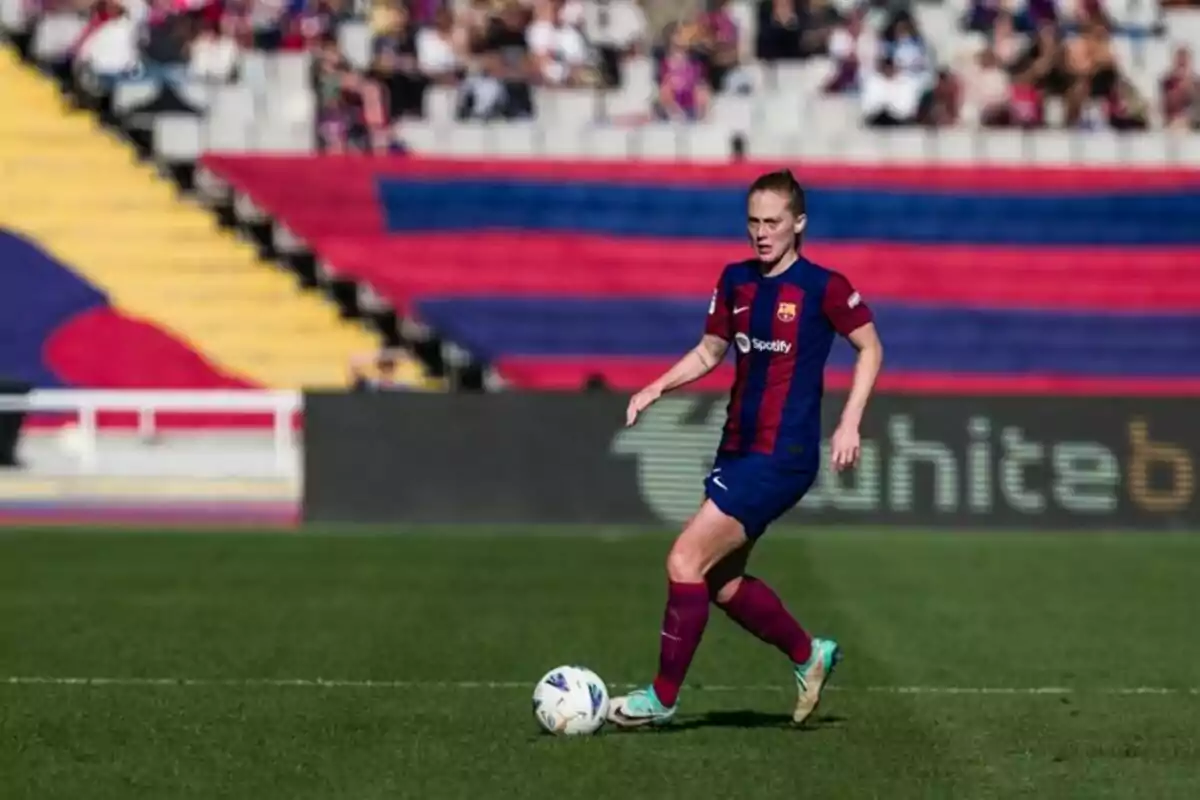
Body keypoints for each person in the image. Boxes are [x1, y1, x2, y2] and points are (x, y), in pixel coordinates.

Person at [607, 169, 884, 729]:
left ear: (798, 224)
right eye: (754, 222)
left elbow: (870, 348)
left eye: (773, 223)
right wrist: (656, 387)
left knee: (684, 559)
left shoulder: (822, 287)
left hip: (783, 454)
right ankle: (810, 655)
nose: (761, 233)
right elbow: (711, 353)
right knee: (721, 582)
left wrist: (850, 423)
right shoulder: (735, 280)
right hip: (735, 448)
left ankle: (661, 699)